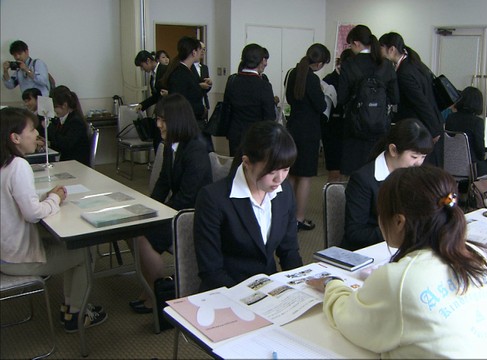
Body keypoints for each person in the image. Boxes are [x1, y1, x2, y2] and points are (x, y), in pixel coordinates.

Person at [307, 166, 487, 358]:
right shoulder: (475, 256)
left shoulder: (400, 278)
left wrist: (331, 285)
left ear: (398, 221)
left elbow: (350, 320)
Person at [1, 107, 108, 332]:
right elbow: (31, 213)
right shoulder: (18, 166)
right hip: (17, 259)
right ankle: (76, 315)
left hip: (5, 253)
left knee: (66, 245)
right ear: (15, 137)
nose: (37, 136)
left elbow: (15, 202)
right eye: (32, 130)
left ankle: (70, 308)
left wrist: (45, 197)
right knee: (84, 251)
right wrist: (54, 199)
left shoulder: (4, 164)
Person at [194, 121, 302, 291]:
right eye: (272, 171)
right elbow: (211, 271)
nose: (279, 179)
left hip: (269, 290)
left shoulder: (284, 191)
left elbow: (289, 251)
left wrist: (300, 286)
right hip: (228, 292)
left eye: (286, 169)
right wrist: (251, 299)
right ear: (247, 162)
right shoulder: (213, 198)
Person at [128, 93, 212, 313]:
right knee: (131, 228)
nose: (158, 125)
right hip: (178, 209)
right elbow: (164, 183)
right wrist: (148, 207)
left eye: (162, 120)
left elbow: (188, 197)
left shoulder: (196, 149)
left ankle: (156, 292)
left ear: (176, 120)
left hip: (192, 214)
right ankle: (149, 285)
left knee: (143, 236)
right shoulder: (171, 145)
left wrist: (158, 215)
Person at [342, 118, 433, 251]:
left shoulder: (415, 174)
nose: (419, 163)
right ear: (393, 150)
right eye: (414, 157)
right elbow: (355, 233)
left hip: (405, 247)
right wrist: (402, 230)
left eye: (423, 157)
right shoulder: (363, 179)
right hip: (370, 251)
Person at [337, 24, 399, 176]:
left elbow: (342, 98)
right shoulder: (386, 65)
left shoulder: (349, 65)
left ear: (356, 43)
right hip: (380, 128)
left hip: (354, 129)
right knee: (377, 171)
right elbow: (395, 97)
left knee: (354, 173)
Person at [379, 32, 444, 167]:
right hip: (429, 123)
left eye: (381, 48)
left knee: (420, 169)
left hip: (422, 126)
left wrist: (435, 130)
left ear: (391, 49)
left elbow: (421, 102)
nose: (380, 52)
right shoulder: (414, 63)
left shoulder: (404, 72)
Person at [285, 43, 330, 231]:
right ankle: (299, 218)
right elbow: (320, 106)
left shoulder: (292, 73)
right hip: (309, 131)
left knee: (291, 175)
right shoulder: (312, 80)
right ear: (319, 63)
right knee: (305, 177)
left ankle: (285, 216)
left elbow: (289, 98)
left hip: (293, 128)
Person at [225, 43, 277, 156]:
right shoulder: (264, 86)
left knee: (236, 168)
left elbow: (226, 108)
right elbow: (270, 117)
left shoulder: (232, 81)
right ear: (260, 61)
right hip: (256, 137)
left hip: (235, 133)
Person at [445, 86, 487, 177]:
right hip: (471, 167)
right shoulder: (477, 122)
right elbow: (480, 151)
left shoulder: (450, 118)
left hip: (449, 164)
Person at [322, 49, 354, 183]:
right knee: (334, 172)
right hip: (333, 130)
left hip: (351, 129)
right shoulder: (328, 80)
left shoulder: (354, 78)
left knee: (349, 171)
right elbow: (324, 111)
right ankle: (331, 202)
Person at [159, 37, 206, 124]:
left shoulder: (189, 70)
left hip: (192, 119)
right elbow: (181, 102)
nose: (202, 52)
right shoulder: (180, 73)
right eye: (200, 50)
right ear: (194, 52)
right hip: (187, 122)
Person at [47, 85, 90, 166]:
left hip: (77, 164)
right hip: (67, 161)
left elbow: (65, 144)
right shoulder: (62, 119)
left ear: (64, 105)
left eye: (55, 107)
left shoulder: (76, 122)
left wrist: (49, 127)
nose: (53, 111)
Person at [134, 50, 168, 114]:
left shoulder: (165, 69)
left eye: (142, 66)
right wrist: (142, 105)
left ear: (148, 61)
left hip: (170, 108)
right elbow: (156, 96)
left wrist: (169, 93)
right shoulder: (152, 76)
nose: (142, 69)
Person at [192, 41, 212, 116]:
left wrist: (209, 84)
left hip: (204, 102)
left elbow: (206, 89)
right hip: (193, 103)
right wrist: (199, 85)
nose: (202, 51)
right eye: (200, 49)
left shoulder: (204, 68)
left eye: (204, 49)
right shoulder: (188, 67)